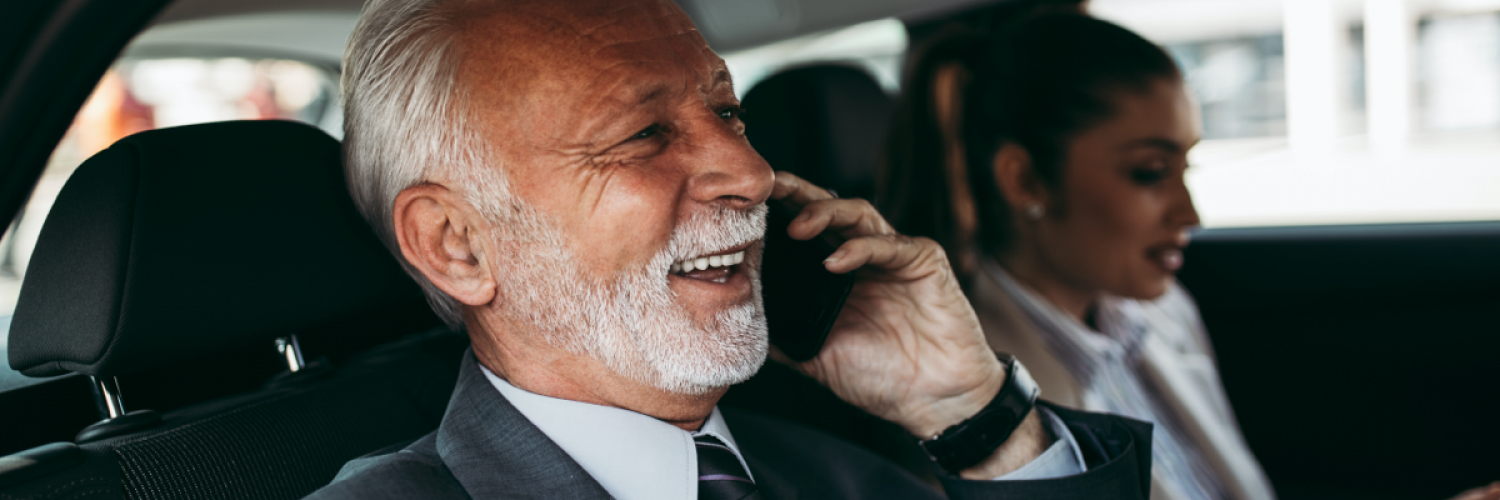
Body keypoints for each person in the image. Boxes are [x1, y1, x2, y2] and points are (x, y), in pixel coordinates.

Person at [302, 0, 1158, 499]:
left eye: (729, 114)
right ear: (457, 246)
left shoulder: (847, 479)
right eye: (641, 134)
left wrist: (974, 415)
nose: (750, 171)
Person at [880, 13, 1273, 500]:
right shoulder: (957, 390)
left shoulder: (1166, 313)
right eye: (1149, 172)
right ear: (1024, 181)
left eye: (1184, 166)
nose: (1190, 213)